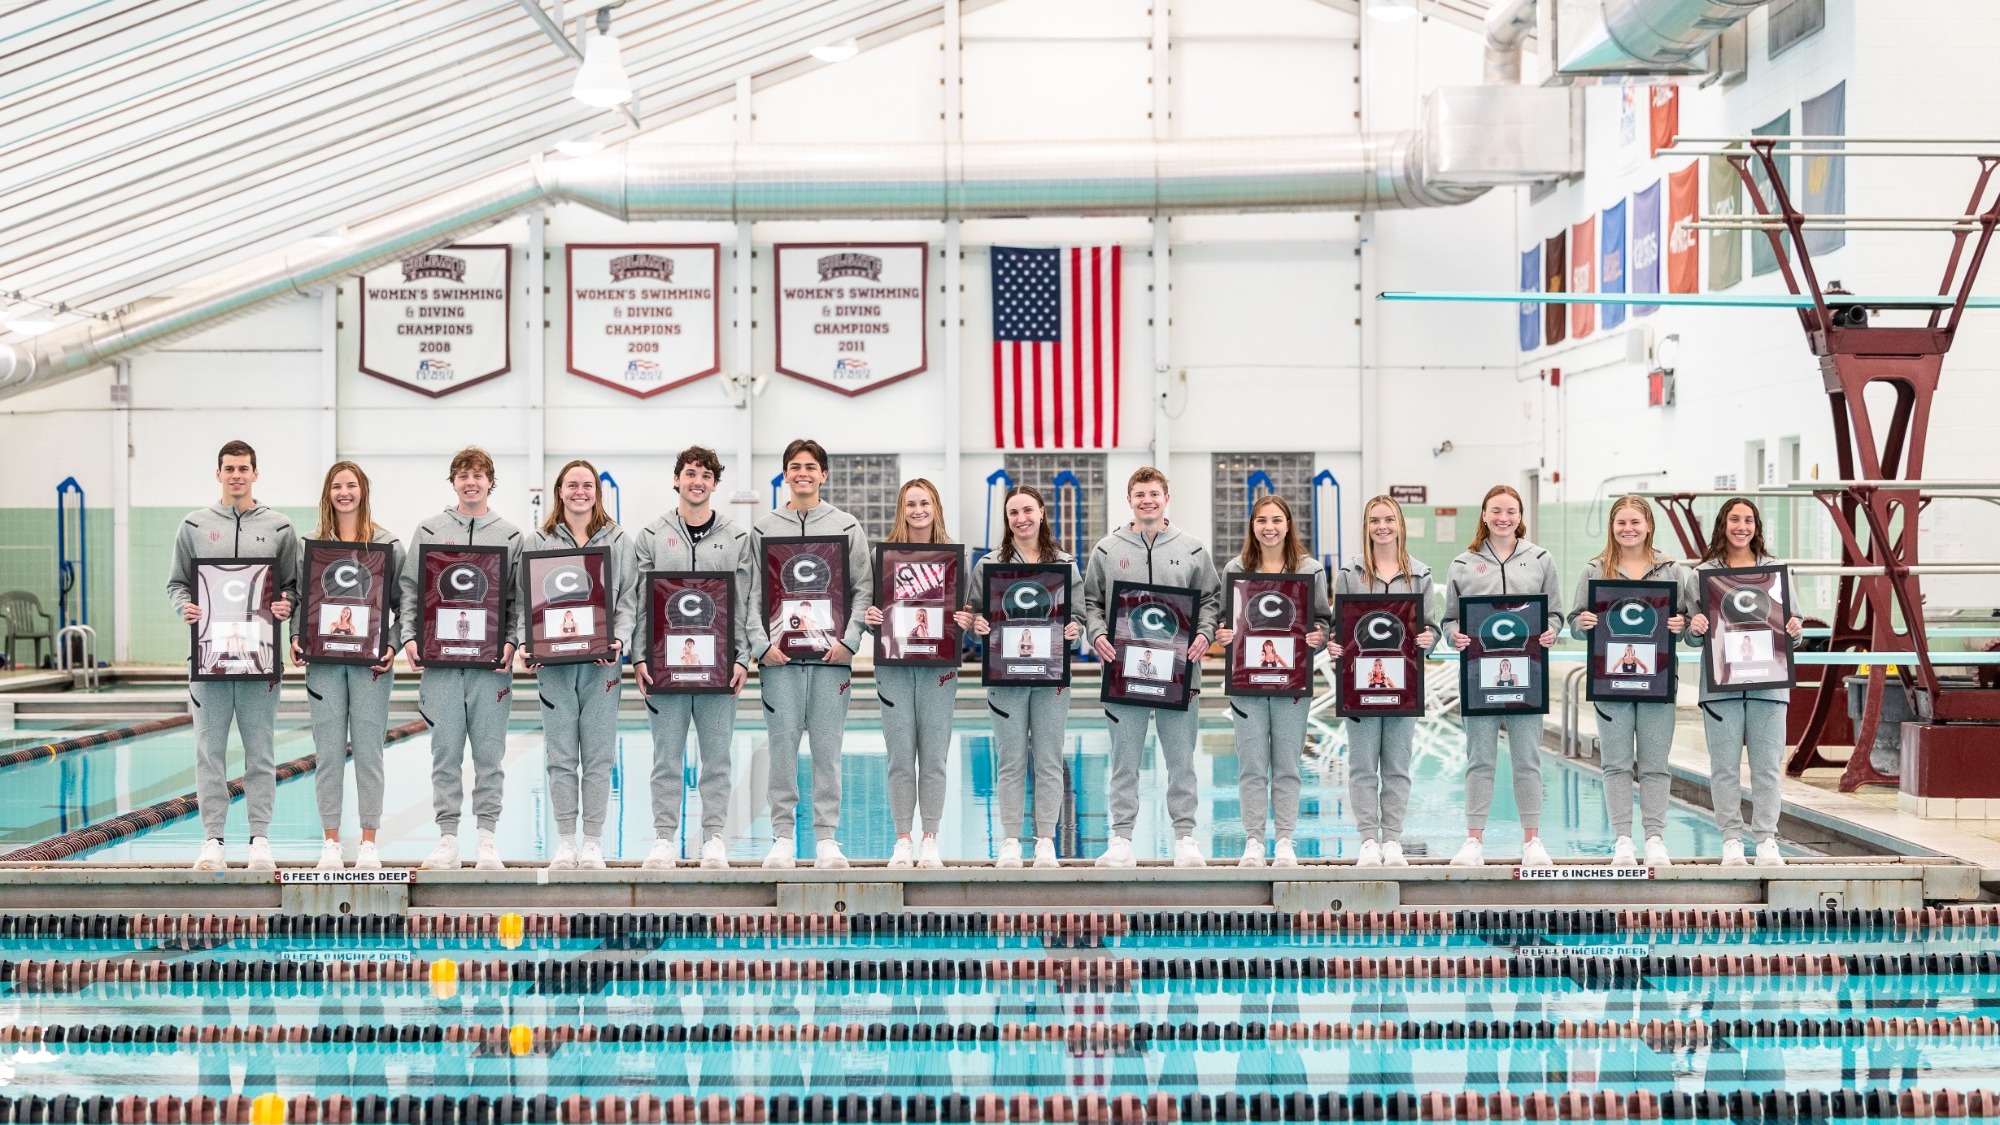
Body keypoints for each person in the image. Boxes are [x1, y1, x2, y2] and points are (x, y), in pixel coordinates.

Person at [1083, 467, 1222, 869]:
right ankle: (1121, 839)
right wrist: (1097, 634)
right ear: (1129, 500)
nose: (1147, 501)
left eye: (1154, 494)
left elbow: (1211, 600)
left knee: (1181, 761)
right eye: (1140, 494)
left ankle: (1185, 839)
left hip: (1180, 672)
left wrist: (1205, 633)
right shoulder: (1107, 550)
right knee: (1123, 761)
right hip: (1124, 672)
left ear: (1167, 498)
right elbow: (1091, 602)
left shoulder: (1193, 549)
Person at [170, 441, 299, 872]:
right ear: (218, 474)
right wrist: (185, 607)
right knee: (210, 752)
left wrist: (286, 605)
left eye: (244, 468)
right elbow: (177, 584)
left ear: (255, 474)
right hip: (209, 659)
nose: (236, 475)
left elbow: (292, 587)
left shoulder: (280, 527)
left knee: (261, 752)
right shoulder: (193, 525)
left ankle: (259, 839)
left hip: (260, 659)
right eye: (229, 468)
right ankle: (213, 840)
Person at [749, 439, 873, 870]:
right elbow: (751, 594)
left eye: (810, 466)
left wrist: (850, 642)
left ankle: (826, 839)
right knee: (781, 751)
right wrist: (761, 646)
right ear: (785, 474)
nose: (803, 473)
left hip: (830, 661)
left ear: (824, 474)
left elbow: (863, 590)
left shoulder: (846, 527)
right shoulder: (763, 529)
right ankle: (783, 837)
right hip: (779, 663)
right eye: (795, 466)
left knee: (827, 752)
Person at [399, 446, 524, 872]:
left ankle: (486, 838)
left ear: (491, 482)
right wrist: (409, 636)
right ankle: (448, 839)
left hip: (491, 667)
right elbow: (410, 589)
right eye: (463, 475)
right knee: (445, 755)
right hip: (442, 666)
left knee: (490, 755)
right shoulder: (429, 530)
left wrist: (511, 642)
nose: (471, 482)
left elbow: (517, 599)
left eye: (478, 475)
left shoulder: (510, 535)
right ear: (453, 482)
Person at [632, 445, 754, 871]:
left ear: (715, 484)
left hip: (718, 668)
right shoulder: (651, 535)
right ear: (676, 479)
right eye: (690, 473)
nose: (697, 481)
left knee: (716, 758)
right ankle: (664, 838)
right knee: (665, 758)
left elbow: (744, 601)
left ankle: (714, 837)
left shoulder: (737, 538)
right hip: (664, 667)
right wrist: (639, 656)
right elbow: (641, 602)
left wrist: (742, 657)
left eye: (705, 475)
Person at [1442, 485, 1563, 868]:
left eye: (1511, 511)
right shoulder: (1463, 564)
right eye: (1496, 510)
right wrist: (1454, 635)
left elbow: (1555, 614)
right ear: (1484, 514)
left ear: (1520, 516)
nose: (1503, 518)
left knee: (1527, 759)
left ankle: (1532, 841)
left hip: (1528, 676)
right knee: (1479, 760)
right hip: (1479, 676)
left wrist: (1552, 631)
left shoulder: (1541, 559)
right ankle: (1473, 841)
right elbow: (1449, 619)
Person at [525, 460, 637, 872]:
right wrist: (529, 643)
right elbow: (525, 601)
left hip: (601, 663)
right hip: (555, 665)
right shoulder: (537, 541)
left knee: (598, 756)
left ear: (596, 492)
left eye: (587, 485)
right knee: (560, 756)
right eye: (572, 485)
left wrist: (619, 639)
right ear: (560, 490)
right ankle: (565, 841)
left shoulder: (619, 540)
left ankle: (592, 842)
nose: (580, 492)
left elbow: (628, 598)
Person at [967, 485, 1083, 870]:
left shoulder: (1064, 564)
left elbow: (1077, 617)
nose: (1021, 519)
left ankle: (1046, 840)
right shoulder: (989, 565)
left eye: (1028, 510)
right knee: (1010, 761)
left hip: (1051, 678)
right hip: (1006, 677)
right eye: (1013, 513)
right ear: (1007, 519)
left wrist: (1075, 630)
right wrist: (977, 627)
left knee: (1049, 760)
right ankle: (1011, 840)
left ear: (1042, 512)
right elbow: (973, 618)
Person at [1569, 494, 1687, 868]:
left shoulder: (1670, 570)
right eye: (1621, 522)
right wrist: (1583, 623)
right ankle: (1622, 839)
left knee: (1655, 765)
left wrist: (1681, 624)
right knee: (1616, 764)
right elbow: (1575, 622)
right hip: (1610, 681)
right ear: (1612, 527)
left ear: (1649, 526)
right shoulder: (1594, 570)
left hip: (1658, 680)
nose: (1628, 529)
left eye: (1635, 522)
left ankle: (1654, 838)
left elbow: (1686, 623)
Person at [295, 461, 402, 872]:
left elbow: (404, 604)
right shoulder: (311, 546)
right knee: (328, 754)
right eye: (337, 486)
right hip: (324, 664)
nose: (344, 492)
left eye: (351, 485)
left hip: (370, 665)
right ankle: (331, 843)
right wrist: (296, 636)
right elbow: (301, 601)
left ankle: (369, 842)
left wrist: (392, 644)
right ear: (328, 492)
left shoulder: (387, 544)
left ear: (363, 490)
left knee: (370, 752)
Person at [1684, 497, 1803, 867]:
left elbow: (1794, 628)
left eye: (1748, 520)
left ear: (1756, 527)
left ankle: (1766, 840)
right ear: (1723, 524)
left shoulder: (1776, 572)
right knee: (1725, 769)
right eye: (1734, 519)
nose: (1741, 527)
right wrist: (1695, 628)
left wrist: (1795, 630)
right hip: (1721, 687)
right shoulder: (1701, 575)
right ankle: (1731, 840)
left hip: (1769, 686)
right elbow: (1691, 636)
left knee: (1767, 768)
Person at [1216, 494, 1332, 868]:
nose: (1269, 527)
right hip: (1247, 684)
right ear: (1252, 526)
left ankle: (1284, 840)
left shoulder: (1310, 570)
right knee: (1252, 766)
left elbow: (1323, 620)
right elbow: (1224, 618)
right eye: (1262, 520)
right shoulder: (1236, 568)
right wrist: (1223, 634)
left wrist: (1318, 636)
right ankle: (1253, 841)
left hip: (1291, 682)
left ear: (1288, 525)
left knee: (1287, 767)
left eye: (1276, 520)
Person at [1332, 496, 1437, 869]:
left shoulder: (1420, 574)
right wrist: (1334, 644)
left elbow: (1431, 627)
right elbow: (1339, 626)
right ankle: (1367, 840)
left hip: (1404, 686)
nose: (1382, 527)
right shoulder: (1350, 573)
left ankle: (1392, 839)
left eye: (1389, 519)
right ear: (1366, 527)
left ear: (1400, 524)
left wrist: (1429, 639)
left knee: (1396, 766)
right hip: (1359, 686)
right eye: (1375, 520)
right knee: (1362, 766)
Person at [865, 479, 961, 870]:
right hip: (895, 668)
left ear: (935, 507)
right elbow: (869, 608)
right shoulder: (882, 557)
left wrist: (965, 619)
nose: (918, 510)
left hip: (939, 668)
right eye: (910, 504)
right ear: (900, 511)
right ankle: (903, 839)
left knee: (934, 758)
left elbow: (964, 610)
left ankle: (930, 839)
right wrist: (870, 618)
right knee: (900, 757)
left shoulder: (953, 557)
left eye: (924, 503)